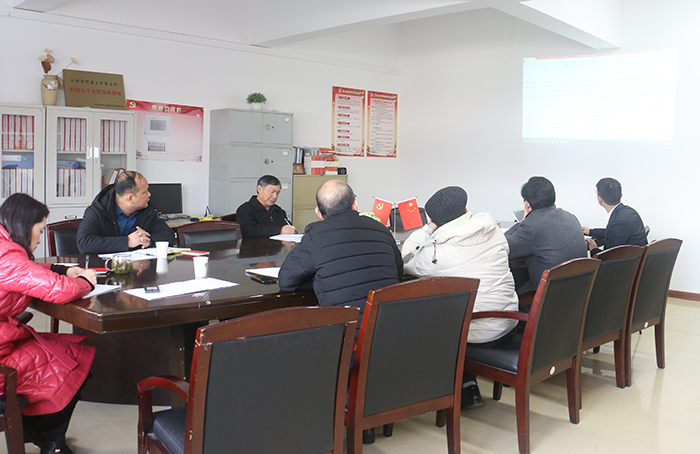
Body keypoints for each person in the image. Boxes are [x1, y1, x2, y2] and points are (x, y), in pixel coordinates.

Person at [402, 186, 519, 409]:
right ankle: (467, 385)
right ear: (465, 209)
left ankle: (457, 387)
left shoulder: (438, 254)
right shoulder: (493, 231)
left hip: (480, 331)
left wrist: (428, 228)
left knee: (427, 319)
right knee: (457, 311)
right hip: (508, 317)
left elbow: (407, 258)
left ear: (434, 221)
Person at [0, 193, 97, 454]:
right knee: (74, 358)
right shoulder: (6, 257)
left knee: (61, 351)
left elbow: (25, 270)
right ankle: (50, 440)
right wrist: (86, 282)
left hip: (5, 340)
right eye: (40, 230)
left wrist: (60, 270)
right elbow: (60, 290)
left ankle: (41, 434)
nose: (40, 238)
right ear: (24, 225)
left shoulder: (4, 247)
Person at [278, 179, 403, 323]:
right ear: (355, 204)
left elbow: (286, 281)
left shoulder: (316, 236)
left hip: (348, 331)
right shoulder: (380, 229)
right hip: (391, 325)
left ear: (318, 213)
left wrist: (321, 279)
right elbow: (398, 273)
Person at [505, 176, 587, 294]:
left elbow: (504, 247)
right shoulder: (571, 216)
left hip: (548, 295)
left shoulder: (532, 225)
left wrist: (522, 222)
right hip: (577, 290)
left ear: (527, 204)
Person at [76, 171, 175, 254]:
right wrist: (128, 241)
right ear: (130, 198)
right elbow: (84, 243)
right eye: (145, 192)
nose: (149, 194)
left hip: (139, 266)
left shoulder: (147, 210)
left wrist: (148, 241)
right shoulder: (97, 211)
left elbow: (168, 235)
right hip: (106, 267)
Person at [582, 177, 648, 253]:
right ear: (621, 195)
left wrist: (594, 249)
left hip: (623, 260)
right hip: (636, 257)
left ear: (600, 199)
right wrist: (591, 231)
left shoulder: (618, 222)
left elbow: (608, 258)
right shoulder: (630, 211)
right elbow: (613, 232)